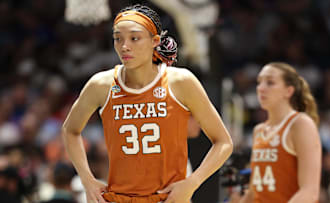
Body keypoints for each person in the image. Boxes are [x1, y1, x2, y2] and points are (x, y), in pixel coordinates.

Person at [61, 4, 233, 203]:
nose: (125, 46)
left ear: (155, 41)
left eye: (134, 38)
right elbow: (70, 130)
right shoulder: (101, 84)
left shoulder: (180, 81)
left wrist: (193, 182)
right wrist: (87, 180)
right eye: (118, 38)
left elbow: (223, 142)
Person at [231, 62, 322, 203]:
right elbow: (255, 193)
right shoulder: (259, 130)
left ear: (288, 91)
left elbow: (309, 192)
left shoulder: (300, 124)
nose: (261, 88)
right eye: (259, 82)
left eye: (270, 83)